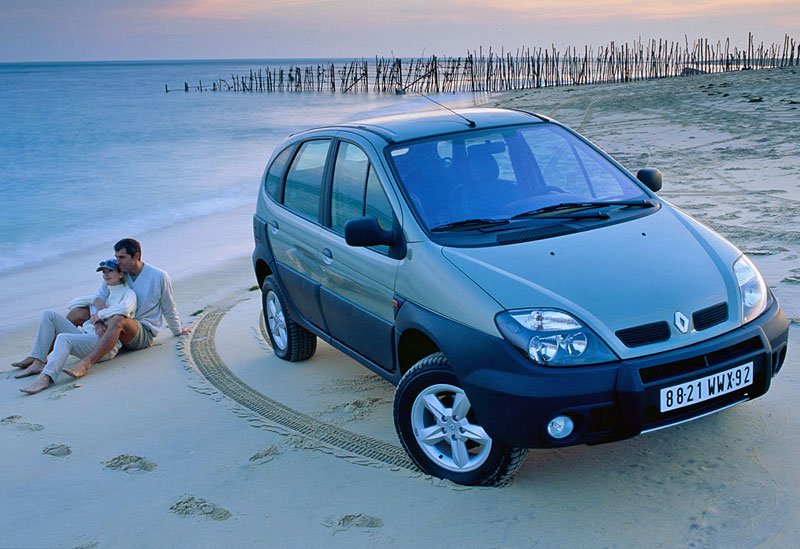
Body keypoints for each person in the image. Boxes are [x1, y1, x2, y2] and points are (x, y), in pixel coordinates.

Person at [61, 238, 191, 379]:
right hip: (112, 326)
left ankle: (86, 364)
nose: (118, 261)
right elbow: (98, 297)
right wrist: (97, 322)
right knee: (77, 313)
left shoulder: (159, 276)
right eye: (116, 257)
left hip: (141, 332)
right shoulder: (119, 272)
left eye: (122, 257)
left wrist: (177, 331)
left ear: (136, 256)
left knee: (119, 318)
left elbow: (168, 307)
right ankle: (40, 359)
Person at [14, 258, 137, 395]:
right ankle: (38, 361)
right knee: (49, 315)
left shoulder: (128, 293)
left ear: (121, 274)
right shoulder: (104, 293)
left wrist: (100, 315)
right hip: (88, 337)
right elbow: (72, 304)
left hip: (104, 345)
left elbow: (125, 309)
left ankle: (46, 377)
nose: (106, 275)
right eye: (103, 272)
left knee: (63, 338)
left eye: (110, 271)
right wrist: (95, 302)